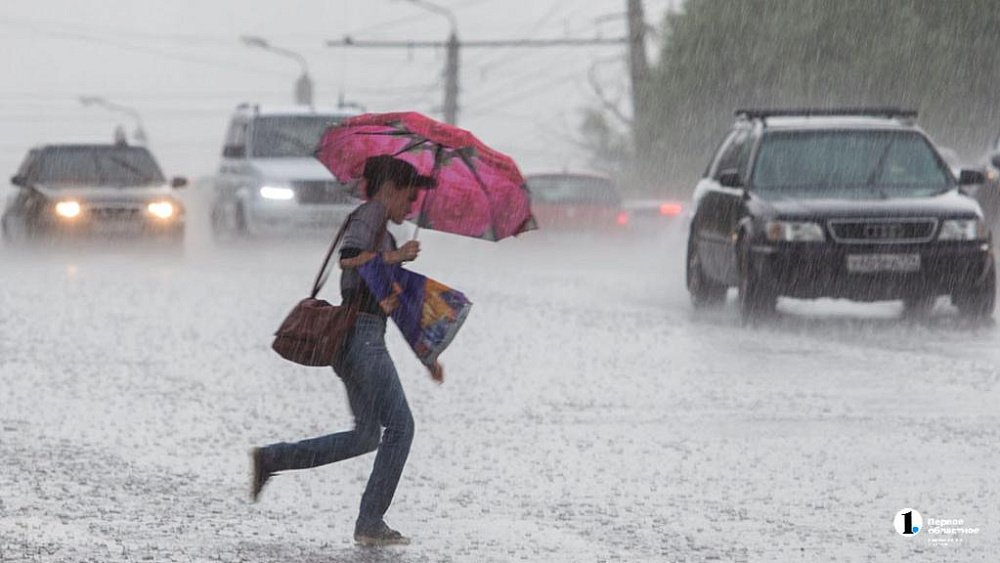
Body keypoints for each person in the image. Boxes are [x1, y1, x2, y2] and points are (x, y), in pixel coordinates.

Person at [251, 155, 444, 547]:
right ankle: (370, 522)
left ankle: (273, 458)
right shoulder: (371, 215)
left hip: (362, 336)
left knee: (366, 436)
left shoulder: (380, 227)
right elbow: (348, 259)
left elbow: (374, 288)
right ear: (389, 188)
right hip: (363, 338)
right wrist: (396, 257)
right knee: (401, 428)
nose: (411, 208)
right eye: (408, 198)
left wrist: (428, 355)